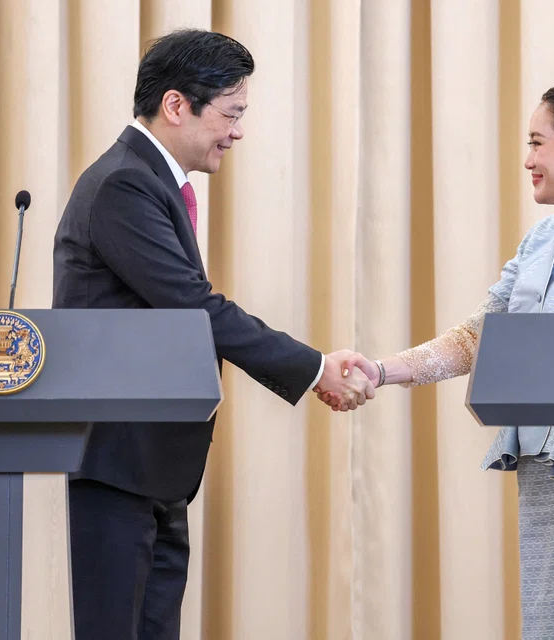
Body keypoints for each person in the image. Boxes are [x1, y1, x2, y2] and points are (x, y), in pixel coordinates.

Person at [323, 79, 554, 639]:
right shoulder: (541, 240)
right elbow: (477, 337)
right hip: (543, 468)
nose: (528, 160)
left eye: (537, 143)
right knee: (550, 626)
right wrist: (381, 371)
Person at [52, 29, 373, 640]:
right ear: (176, 105)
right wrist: (313, 368)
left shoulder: (149, 180)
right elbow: (194, 307)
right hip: (115, 464)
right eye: (231, 113)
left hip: (154, 466)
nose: (238, 132)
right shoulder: (123, 184)